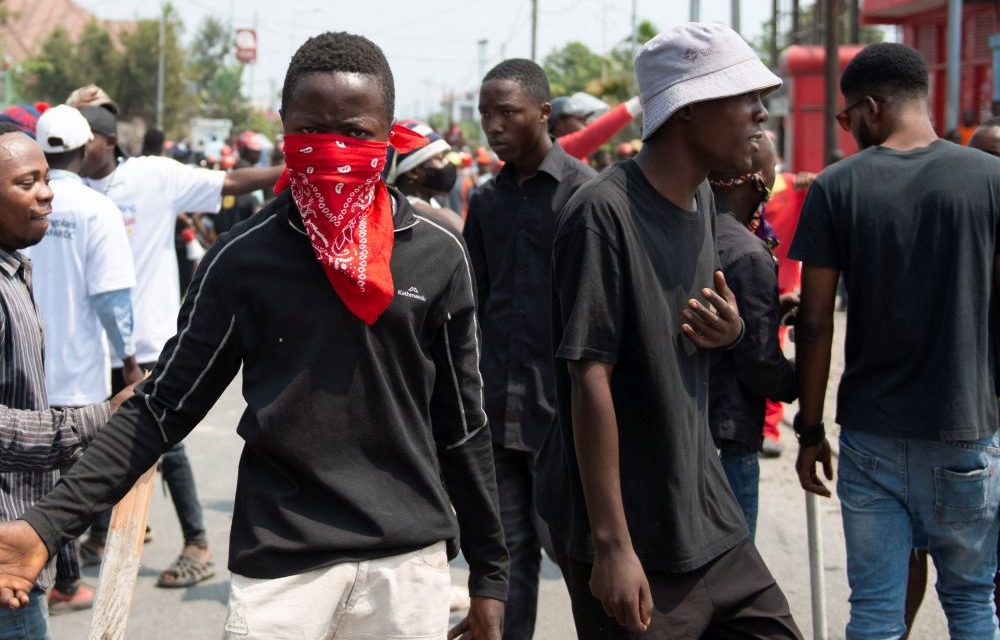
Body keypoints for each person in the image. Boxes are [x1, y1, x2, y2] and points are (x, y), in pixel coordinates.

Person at [0, 31, 508, 640]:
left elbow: (463, 424)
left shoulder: (437, 253)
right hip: (281, 569)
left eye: (356, 133)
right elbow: (162, 411)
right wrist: (45, 527)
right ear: (284, 129)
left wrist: (490, 577)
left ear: (389, 133)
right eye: (312, 132)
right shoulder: (244, 260)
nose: (335, 150)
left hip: (405, 568)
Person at [535, 23, 803, 639]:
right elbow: (588, 376)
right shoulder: (603, 213)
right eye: (744, 97)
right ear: (688, 109)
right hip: (630, 528)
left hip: (702, 508)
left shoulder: (703, 202)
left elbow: (682, 329)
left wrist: (733, 333)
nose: (762, 114)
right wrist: (612, 548)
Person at [791, 42, 1000, 640]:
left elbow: (813, 321)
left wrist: (809, 430)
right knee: (971, 605)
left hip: (872, 436)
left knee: (877, 613)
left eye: (846, 116)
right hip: (966, 429)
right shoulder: (991, 179)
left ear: (871, 108)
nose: (848, 127)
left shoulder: (836, 187)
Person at [70, 97, 281, 589]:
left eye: (86, 143)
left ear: (107, 141)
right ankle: (102, 533)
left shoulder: (152, 176)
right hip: (90, 341)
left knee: (163, 439)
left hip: (145, 338)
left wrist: (294, 167)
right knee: (100, 436)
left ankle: (197, 543)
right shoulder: (68, 186)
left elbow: (228, 183)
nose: (78, 152)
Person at [464, 58, 595, 640]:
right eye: (485, 114)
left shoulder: (586, 195)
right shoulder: (487, 201)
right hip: (498, 412)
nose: (493, 125)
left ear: (544, 114)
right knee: (506, 555)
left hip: (566, 416)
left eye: (507, 113)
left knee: (580, 553)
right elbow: (474, 301)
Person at [0, 123, 136, 638]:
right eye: (26, 182)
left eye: (45, 176)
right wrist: (96, 419)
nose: (46, 191)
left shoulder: (16, 267)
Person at [708, 135, 797, 539]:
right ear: (756, 180)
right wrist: (800, 379)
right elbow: (759, 363)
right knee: (731, 575)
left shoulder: (683, 232)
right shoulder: (747, 253)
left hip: (684, 432)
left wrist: (769, 311)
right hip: (728, 435)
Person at [385, 120, 464, 231]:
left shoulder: (431, 204)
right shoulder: (441, 219)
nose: (448, 164)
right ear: (413, 173)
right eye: (439, 159)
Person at [552, 93, 643, 161]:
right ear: (559, 122)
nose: (587, 124)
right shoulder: (557, 149)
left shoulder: (577, 156)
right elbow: (592, 133)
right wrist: (639, 101)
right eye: (580, 119)